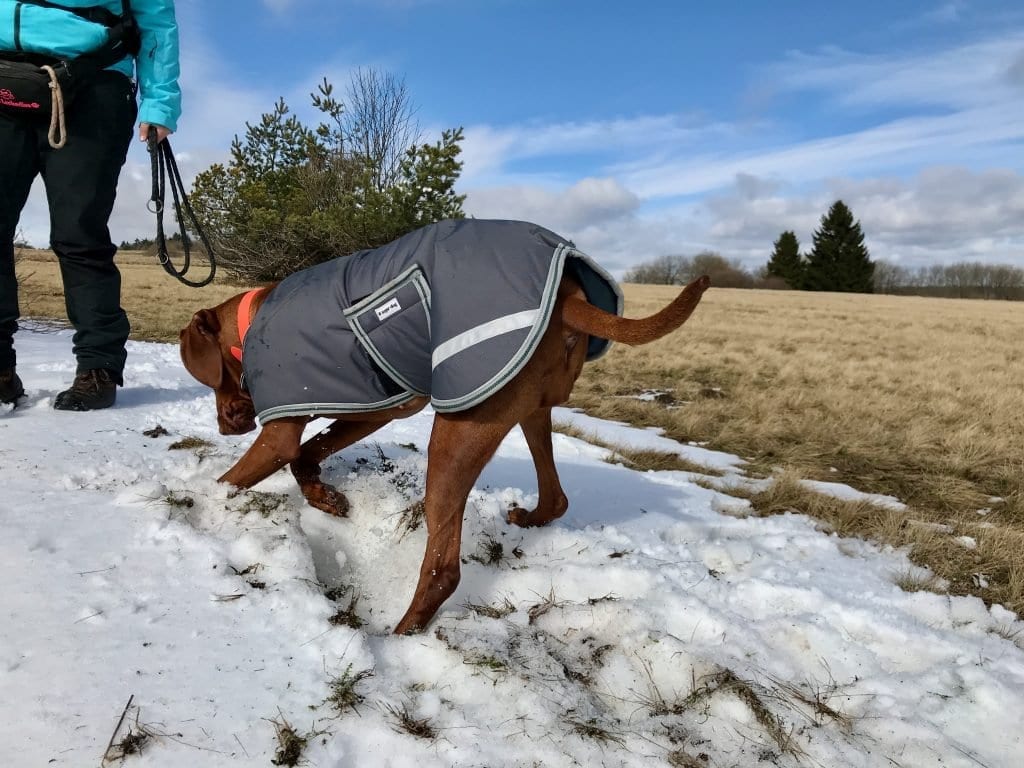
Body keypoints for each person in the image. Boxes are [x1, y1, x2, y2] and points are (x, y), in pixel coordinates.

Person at [0, 0, 181, 410]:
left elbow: (156, 17)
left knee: (79, 232)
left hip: (94, 83)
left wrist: (160, 103)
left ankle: (98, 367)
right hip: (3, 78)